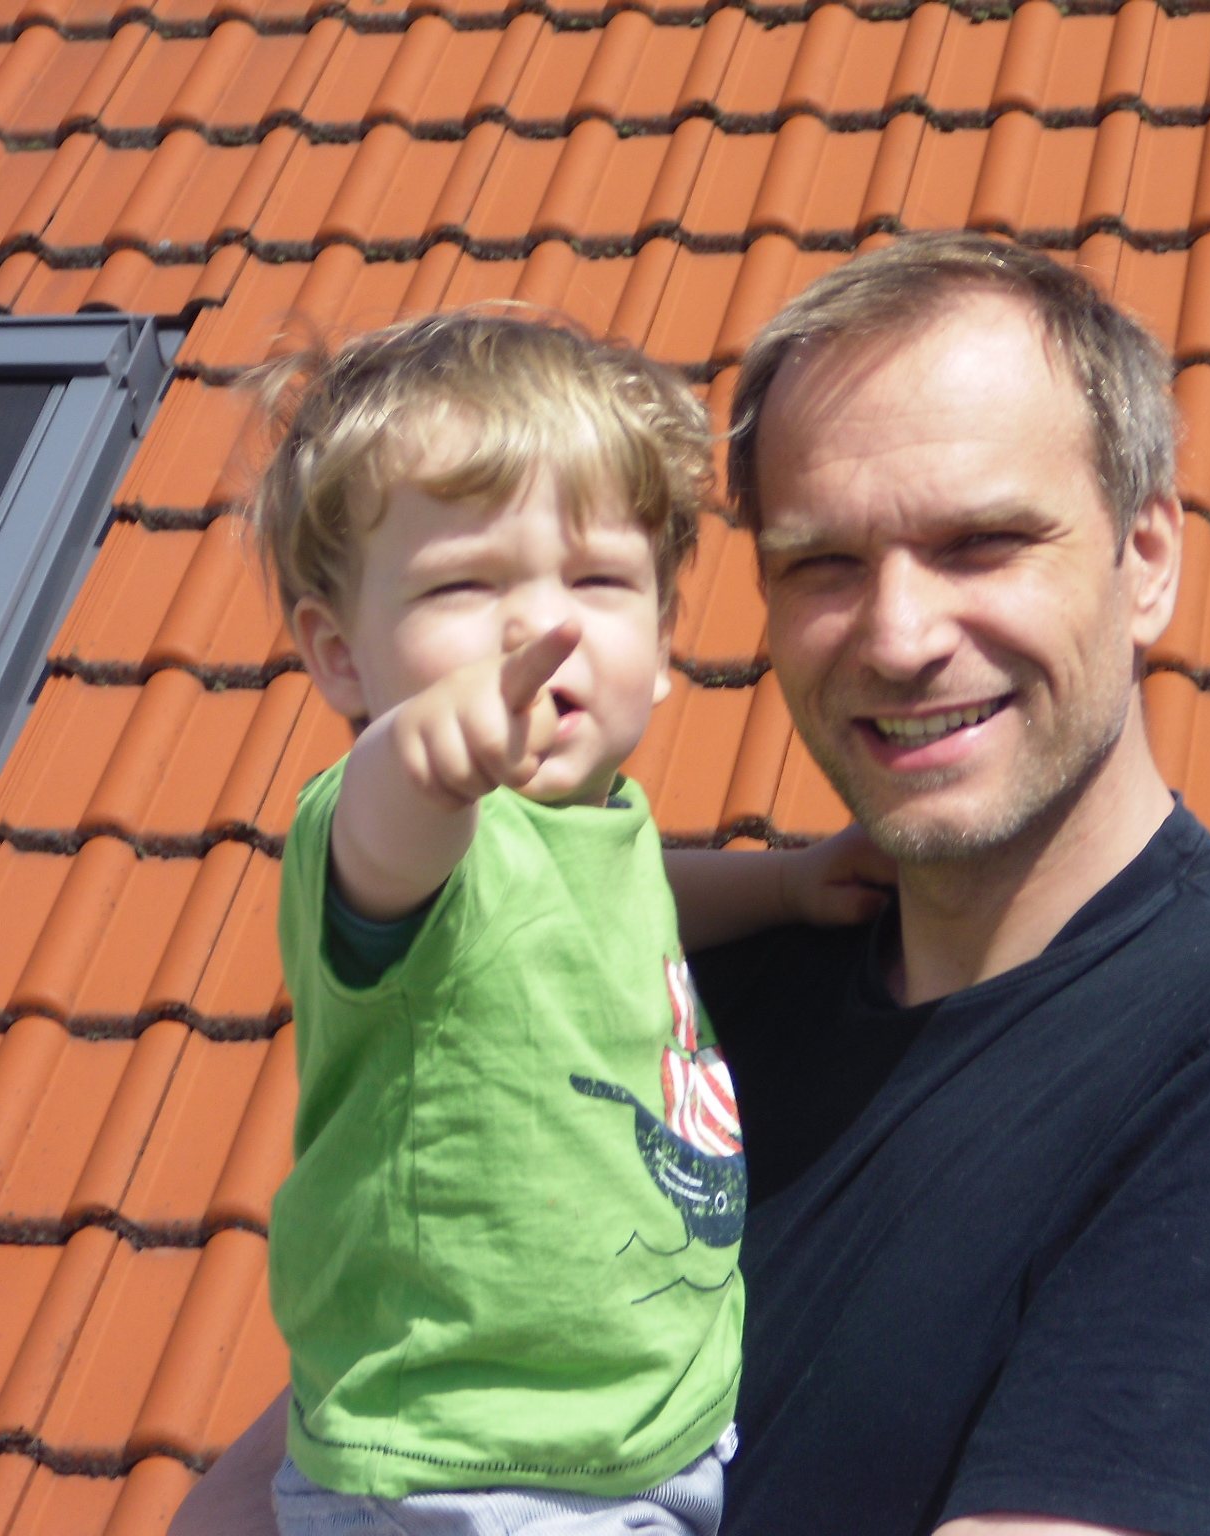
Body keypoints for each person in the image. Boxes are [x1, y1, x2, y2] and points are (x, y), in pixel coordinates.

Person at [176, 235, 1210, 1536]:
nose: (900, 638)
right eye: (822, 564)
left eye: (980, 543)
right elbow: (286, 1478)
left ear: (1147, 559)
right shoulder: (668, 999)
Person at [245, 313, 892, 1536]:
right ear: (338, 656)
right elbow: (387, 840)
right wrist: (425, 754)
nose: (538, 630)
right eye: (462, 584)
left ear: (662, 642)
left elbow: (628, 888)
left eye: (598, 582)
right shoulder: (388, 832)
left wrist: (784, 886)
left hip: (627, 1446)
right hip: (474, 1472)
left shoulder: (596, 821)